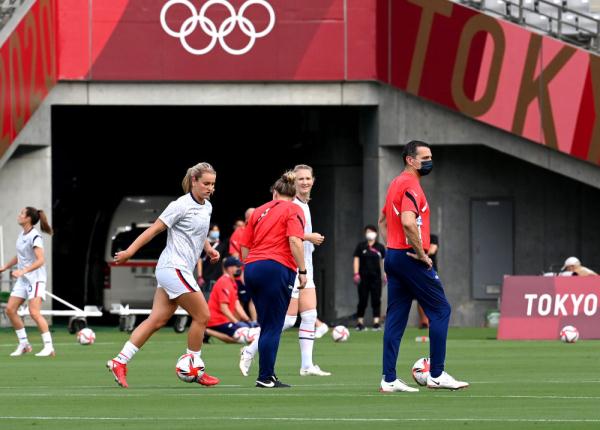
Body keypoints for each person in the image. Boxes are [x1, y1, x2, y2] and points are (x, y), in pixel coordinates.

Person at [106, 162, 221, 388]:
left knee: (157, 320)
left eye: (213, 184)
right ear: (194, 182)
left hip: (178, 270)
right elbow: (154, 229)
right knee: (203, 315)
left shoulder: (206, 206)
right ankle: (195, 366)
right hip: (173, 267)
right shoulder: (179, 205)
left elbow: (198, 233)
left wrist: (208, 248)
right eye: (206, 183)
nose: (210, 188)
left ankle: (119, 361)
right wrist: (130, 251)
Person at [378, 140, 468, 392]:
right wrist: (421, 253)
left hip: (395, 256)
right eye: (425, 157)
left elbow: (382, 220)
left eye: (430, 156)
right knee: (441, 310)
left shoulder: (395, 183)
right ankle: (437, 374)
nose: (429, 161)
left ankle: (388, 379)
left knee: (396, 318)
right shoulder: (411, 184)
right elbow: (408, 221)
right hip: (410, 258)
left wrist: (393, 247)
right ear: (410, 159)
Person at [238, 171, 307, 388]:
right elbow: (295, 241)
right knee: (273, 325)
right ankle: (266, 376)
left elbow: (244, 246)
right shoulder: (295, 208)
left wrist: (249, 267)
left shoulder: (258, 211)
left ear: (275, 193)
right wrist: (303, 271)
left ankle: (267, 374)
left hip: (252, 267)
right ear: (293, 193)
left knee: (266, 323)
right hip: (276, 267)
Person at [279, 164, 331, 376]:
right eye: (300, 179)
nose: (305, 182)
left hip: (306, 267)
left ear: (313, 180)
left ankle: (307, 365)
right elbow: (288, 236)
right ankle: (251, 347)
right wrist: (310, 237)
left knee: (310, 316)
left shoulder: (304, 204)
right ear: (294, 182)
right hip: (293, 267)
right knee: (289, 320)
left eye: (308, 178)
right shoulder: (292, 205)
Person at [0, 207, 55, 357]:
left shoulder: (35, 236)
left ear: (28, 218)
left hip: (36, 279)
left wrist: (23, 271)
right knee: (10, 310)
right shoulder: (21, 235)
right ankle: (24, 344)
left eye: (22, 213)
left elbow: (41, 260)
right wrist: (5, 267)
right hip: (23, 280)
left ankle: (49, 347)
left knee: (34, 312)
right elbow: (20, 257)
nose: (19, 215)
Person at [206, 256, 254, 343]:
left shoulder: (232, 282)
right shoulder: (224, 282)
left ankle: (207, 331)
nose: (239, 269)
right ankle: (206, 331)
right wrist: (236, 322)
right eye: (237, 266)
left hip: (224, 320)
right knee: (242, 338)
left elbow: (237, 304)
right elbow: (223, 308)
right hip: (216, 321)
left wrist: (248, 321)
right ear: (229, 268)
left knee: (249, 331)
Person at [353, 225, 386, 331]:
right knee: (362, 299)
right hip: (363, 277)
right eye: (368, 231)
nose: (370, 233)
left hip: (376, 278)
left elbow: (384, 261)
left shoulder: (380, 247)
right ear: (365, 233)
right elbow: (356, 259)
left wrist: (385, 273)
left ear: (376, 233)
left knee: (376, 299)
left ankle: (376, 322)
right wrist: (356, 273)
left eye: (372, 231)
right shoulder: (361, 246)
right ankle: (360, 322)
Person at [196, 223, 228, 291]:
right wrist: (199, 276)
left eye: (217, 230)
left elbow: (224, 260)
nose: (216, 232)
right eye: (213, 230)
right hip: (205, 277)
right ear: (208, 231)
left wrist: (225, 275)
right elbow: (199, 260)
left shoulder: (222, 245)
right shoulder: (203, 244)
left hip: (218, 277)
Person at [417, 233, 439, 329]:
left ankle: (433, 320)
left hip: (430, 271)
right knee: (420, 297)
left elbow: (432, 250)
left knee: (432, 296)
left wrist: (419, 254)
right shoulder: (415, 236)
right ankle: (424, 321)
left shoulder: (432, 237)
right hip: (417, 270)